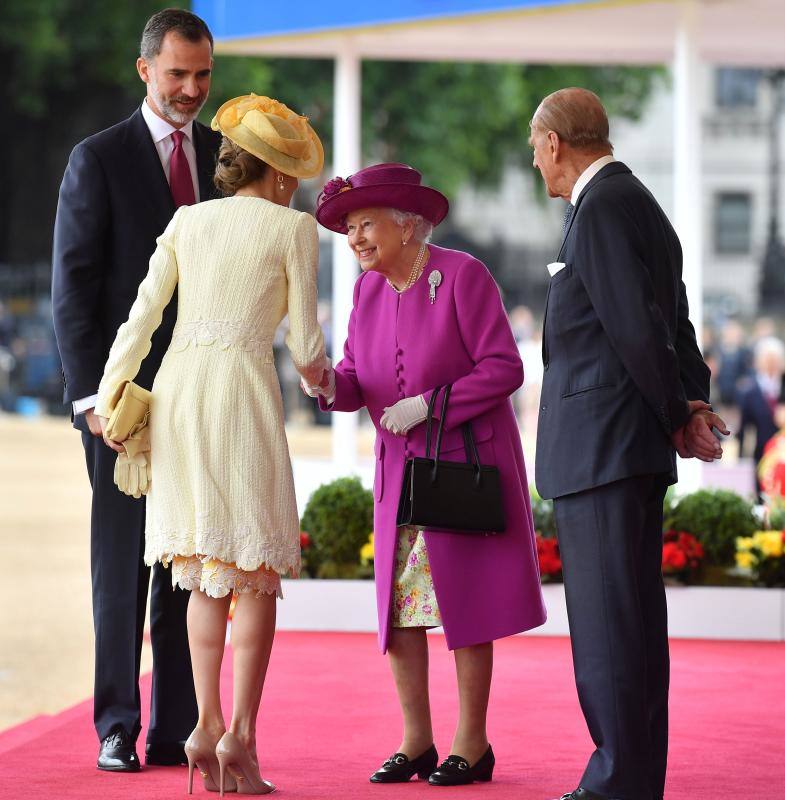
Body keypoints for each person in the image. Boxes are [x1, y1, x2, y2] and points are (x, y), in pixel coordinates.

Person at [93, 93, 327, 794]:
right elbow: (306, 345)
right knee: (253, 567)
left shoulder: (187, 219)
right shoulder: (293, 229)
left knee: (200, 565)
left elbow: (142, 316)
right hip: (241, 393)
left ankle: (204, 723)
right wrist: (325, 381)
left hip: (178, 394)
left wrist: (109, 396)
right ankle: (241, 740)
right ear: (278, 174)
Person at [306, 163, 547, 787]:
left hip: (463, 466)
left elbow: (505, 367)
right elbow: (355, 380)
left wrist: (431, 405)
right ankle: (416, 741)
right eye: (349, 229)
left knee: (467, 604)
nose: (355, 238)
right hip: (401, 474)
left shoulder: (463, 275)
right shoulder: (366, 292)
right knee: (401, 608)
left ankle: (473, 742)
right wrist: (325, 383)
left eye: (365, 225)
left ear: (407, 225)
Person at [529, 87, 729, 800]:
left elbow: (639, 328)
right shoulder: (638, 202)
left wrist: (677, 412)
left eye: (535, 149)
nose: (535, 163)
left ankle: (617, 783)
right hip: (622, 448)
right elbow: (672, 321)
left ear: (554, 143)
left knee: (611, 631)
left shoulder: (603, 207)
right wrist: (690, 401)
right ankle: (633, 779)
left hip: (602, 450)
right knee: (633, 627)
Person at [51, 8, 220, 772]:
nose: (191, 89)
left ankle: (176, 728)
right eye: (178, 73)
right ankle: (116, 725)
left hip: (201, 399)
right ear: (145, 69)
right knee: (120, 566)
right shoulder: (96, 158)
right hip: (120, 407)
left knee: (184, 566)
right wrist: (91, 401)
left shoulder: (223, 158)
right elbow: (72, 291)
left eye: (203, 75)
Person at [737, 336, 785, 497]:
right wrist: (741, 457)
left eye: (775, 360)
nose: (771, 364)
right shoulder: (749, 391)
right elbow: (744, 428)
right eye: (767, 359)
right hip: (761, 454)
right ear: (758, 362)